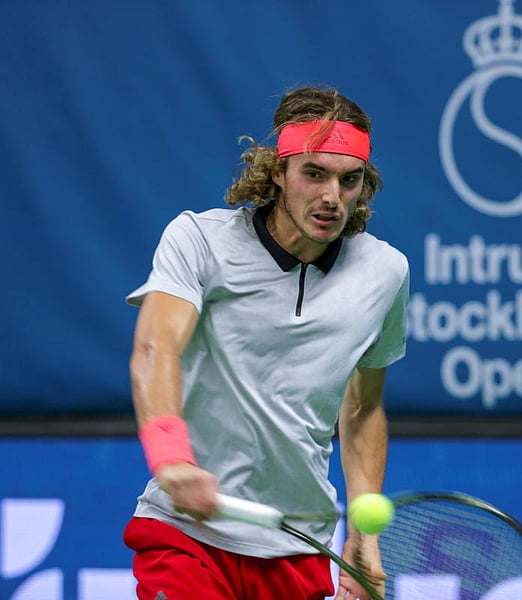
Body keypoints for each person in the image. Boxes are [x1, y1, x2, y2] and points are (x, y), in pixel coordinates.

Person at [122, 84, 410, 600]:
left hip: (298, 546)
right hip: (188, 534)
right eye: (314, 174)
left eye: (349, 180)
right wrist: (171, 456)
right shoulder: (199, 241)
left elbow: (363, 408)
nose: (332, 197)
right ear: (277, 171)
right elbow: (156, 347)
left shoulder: (385, 272)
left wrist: (363, 536)